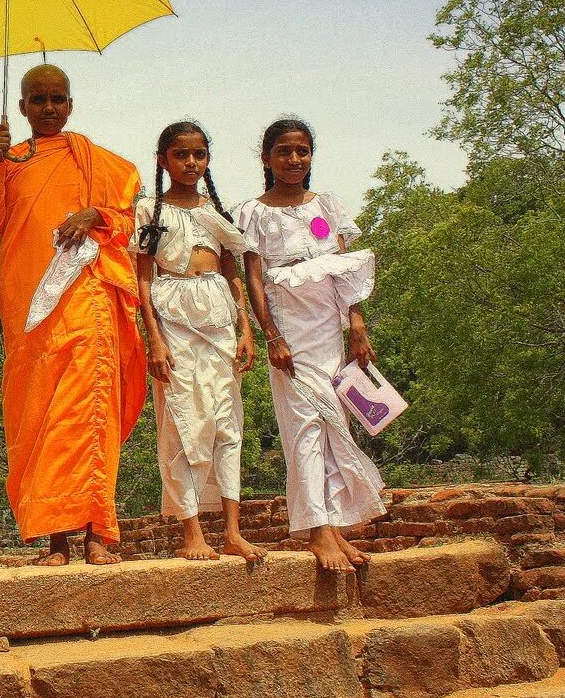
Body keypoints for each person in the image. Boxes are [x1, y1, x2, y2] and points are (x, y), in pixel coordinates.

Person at [0, 64, 148, 566]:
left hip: (87, 297)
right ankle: (55, 539)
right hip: (29, 307)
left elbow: (127, 218)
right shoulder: (12, 160)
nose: (48, 108)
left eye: (57, 99)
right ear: (23, 107)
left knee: (88, 408)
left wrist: (95, 215)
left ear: (70, 105)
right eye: (38, 99)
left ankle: (97, 531)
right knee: (41, 414)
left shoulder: (96, 161)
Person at [234, 117, 385, 574]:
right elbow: (254, 280)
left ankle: (334, 523)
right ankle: (315, 528)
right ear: (266, 158)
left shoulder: (328, 205)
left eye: (302, 151)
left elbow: (345, 269)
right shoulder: (253, 212)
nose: (294, 159)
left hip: (328, 326)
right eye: (284, 151)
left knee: (335, 420)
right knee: (303, 423)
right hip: (289, 328)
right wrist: (271, 336)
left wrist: (356, 324)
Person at [134, 121, 266, 563]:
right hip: (173, 319)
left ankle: (232, 530)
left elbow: (231, 269)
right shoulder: (150, 212)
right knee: (180, 422)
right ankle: (191, 532)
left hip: (219, 319)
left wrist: (245, 326)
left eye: (199, 155)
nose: (191, 163)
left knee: (227, 423)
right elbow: (143, 277)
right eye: (181, 155)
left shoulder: (216, 212)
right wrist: (153, 337)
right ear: (162, 160)